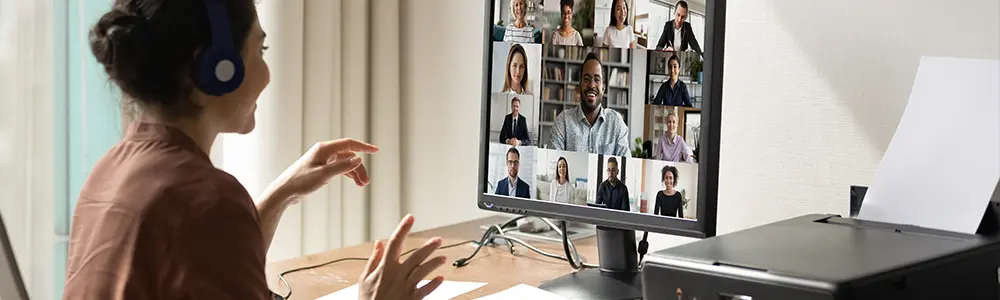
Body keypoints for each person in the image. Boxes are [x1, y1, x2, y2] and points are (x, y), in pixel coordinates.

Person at [63, 1, 446, 299]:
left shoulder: (109, 171)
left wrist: (282, 193)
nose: (266, 73)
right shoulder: (206, 201)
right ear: (215, 67)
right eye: (259, 50)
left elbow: (205, 265)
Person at [550, 52, 629, 156]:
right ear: (580, 86)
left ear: (603, 88)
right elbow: (554, 165)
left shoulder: (616, 123)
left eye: (597, 79)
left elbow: (626, 165)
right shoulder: (563, 122)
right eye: (586, 79)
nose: (592, 85)